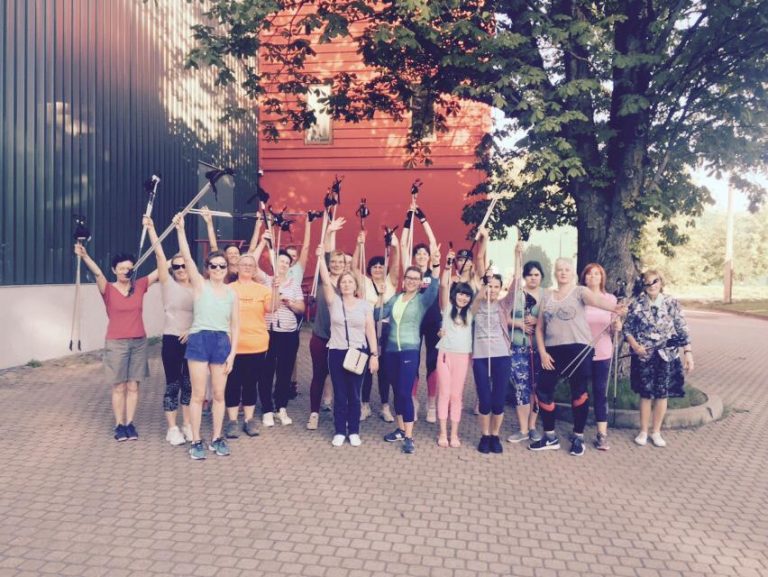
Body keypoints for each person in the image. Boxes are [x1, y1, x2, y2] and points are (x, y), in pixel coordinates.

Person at [531, 258, 624, 456]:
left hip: (579, 349)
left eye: (567, 269)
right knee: (544, 390)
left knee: (579, 392)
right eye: (559, 270)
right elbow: (539, 328)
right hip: (552, 351)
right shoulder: (547, 297)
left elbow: (597, 301)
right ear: (555, 273)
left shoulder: (580, 291)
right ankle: (550, 436)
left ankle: (578, 437)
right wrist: (543, 352)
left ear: (572, 273)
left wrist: (614, 308)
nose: (563, 272)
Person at [74, 244, 158, 441]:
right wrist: (85, 256)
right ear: (114, 270)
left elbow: (160, 270)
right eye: (121, 268)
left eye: (129, 268)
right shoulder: (108, 289)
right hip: (116, 343)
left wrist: (180, 253)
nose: (125, 271)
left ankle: (130, 423)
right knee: (119, 386)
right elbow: (97, 273)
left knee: (133, 386)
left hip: (139, 342)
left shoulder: (140, 286)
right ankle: (119, 424)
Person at [174, 213, 239, 460]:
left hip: (222, 342)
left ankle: (217, 438)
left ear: (226, 268)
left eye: (222, 266)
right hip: (200, 340)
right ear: (208, 268)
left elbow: (236, 326)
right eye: (214, 266)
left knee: (219, 395)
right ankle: (196, 440)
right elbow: (187, 257)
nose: (218, 269)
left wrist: (232, 354)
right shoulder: (200, 285)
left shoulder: (232, 293)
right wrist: (180, 230)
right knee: (198, 395)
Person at [381, 246, 441, 454]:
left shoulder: (422, 300)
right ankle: (400, 429)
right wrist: (378, 297)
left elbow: (434, 286)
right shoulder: (396, 298)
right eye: (409, 278)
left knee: (405, 393)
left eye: (416, 279)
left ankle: (409, 436)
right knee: (397, 392)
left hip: (409, 351)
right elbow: (378, 313)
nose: (412, 281)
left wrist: (435, 264)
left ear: (420, 281)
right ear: (404, 279)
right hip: (391, 351)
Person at [624, 269, 694, 448]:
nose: (651, 285)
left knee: (662, 393)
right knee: (646, 393)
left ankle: (656, 432)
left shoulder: (671, 303)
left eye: (655, 281)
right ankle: (643, 431)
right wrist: (635, 346)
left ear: (661, 282)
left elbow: (682, 328)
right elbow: (627, 329)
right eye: (647, 282)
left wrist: (688, 352)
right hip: (644, 355)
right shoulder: (637, 303)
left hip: (667, 355)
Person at [318, 246, 379, 446]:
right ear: (339, 285)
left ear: (355, 285)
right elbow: (325, 280)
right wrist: (321, 258)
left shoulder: (365, 305)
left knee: (354, 393)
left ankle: (353, 430)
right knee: (340, 392)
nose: (346, 284)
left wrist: (374, 354)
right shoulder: (333, 301)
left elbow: (370, 330)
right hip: (337, 351)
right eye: (343, 282)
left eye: (350, 282)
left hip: (358, 352)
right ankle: (339, 430)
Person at [144, 216, 194, 446]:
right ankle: (172, 428)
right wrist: (152, 230)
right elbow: (159, 255)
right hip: (172, 339)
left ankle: (187, 424)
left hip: (193, 340)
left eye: (184, 265)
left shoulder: (198, 286)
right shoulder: (168, 284)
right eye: (177, 266)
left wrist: (193, 330)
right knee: (173, 384)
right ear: (171, 269)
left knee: (189, 385)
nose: (181, 269)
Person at [470, 230, 517, 454]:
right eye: (490, 286)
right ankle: (484, 435)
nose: (492, 290)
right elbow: (480, 261)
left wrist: (517, 256)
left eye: (496, 287)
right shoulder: (476, 303)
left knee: (498, 401)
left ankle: (495, 435)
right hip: (481, 356)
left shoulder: (503, 305)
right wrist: (485, 240)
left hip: (501, 356)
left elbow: (516, 285)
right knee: (485, 400)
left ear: (500, 289)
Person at [353, 229, 400, 422]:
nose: (378, 269)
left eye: (381, 266)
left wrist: (396, 247)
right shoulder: (364, 282)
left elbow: (396, 266)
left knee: (384, 370)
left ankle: (384, 406)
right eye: (374, 267)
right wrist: (359, 245)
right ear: (369, 269)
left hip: (387, 330)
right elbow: (354, 267)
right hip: (368, 329)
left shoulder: (390, 282)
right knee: (367, 368)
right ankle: (364, 405)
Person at [223, 252, 272, 439]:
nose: (247, 267)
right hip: (232, 347)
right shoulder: (228, 289)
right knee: (233, 384)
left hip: (257, 345)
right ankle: (232, 421)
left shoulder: (262, 290)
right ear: (237, 267)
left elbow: (272, 308)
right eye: (243, 264)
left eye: (251, 265)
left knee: (251, 384)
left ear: (255, 269)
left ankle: (249, 420)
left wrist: (275, 289)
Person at [400, 200, 440, 422]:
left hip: (433, 320)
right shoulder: (411, 272)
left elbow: (433, 244)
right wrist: (409, 218)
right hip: (414, 321)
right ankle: (413, 401)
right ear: (415, 258)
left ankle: (431, 403)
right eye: (419, 254)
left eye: (425, 254)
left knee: (432, 362)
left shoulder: (433, 271)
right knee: (412, 361)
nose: (423, 256)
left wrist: (422, 218)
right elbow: (403, 244)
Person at [307, 217, 347, 430]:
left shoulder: (348, 283)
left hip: (341, 340)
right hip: (321, 336)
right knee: (319, 376)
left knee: (340, 378)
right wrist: (330, 232)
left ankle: (339, 415)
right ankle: (314, 414)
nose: (337, 264)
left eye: (341, 262)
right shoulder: (323, 280)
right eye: (334, 262)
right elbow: (326, 254)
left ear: (345, 265)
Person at [435, 248, 474, 448]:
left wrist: (487, 280)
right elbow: (443, 285)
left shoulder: (471, 312)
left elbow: (481, 294)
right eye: (460, 294)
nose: (463, 298)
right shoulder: (447, 307)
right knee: (444, 393)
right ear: (454, 294)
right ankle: (443, 432)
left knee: (456, 395)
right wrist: (448, 265)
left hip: (462, 356)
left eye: (467, 296)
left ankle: (454, 434)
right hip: (445, 354)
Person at [262, 248, 306, 426]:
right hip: (269, 332)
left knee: (285, 371)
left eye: (287, 263)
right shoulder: (266, 280)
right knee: (266, 371)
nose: (284, 265)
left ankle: (281, 407)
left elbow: (301, 308)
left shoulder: (294, 284)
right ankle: (267, 409)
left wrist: (290, 303)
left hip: (289, 333)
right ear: (275, 262)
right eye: (281, 261)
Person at [581, 263, 621, 450]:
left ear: (602, 277)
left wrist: (617, 326)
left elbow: (614, 327)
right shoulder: (579, 297)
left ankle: (602, 434)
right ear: (584, 278)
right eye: (589, 274)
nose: (593, 277)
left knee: (600, 392)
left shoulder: (610, 299)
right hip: (582, 351)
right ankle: (578, 431)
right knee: (580, 392)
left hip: (603, 351)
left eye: (597, 274)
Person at [507, 255, 545, 444]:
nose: (533, 278)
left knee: (536, 388)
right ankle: (522, 428)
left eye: (536, 275)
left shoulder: (547, 296)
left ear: (541, 276)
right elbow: (503, 316)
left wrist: (538, 320)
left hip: (539, 349)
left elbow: (553, 320)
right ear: (524, 277)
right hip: (518, 347)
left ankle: (532, 426)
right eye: (529, 275)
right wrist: (519, 324)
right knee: (521, 387)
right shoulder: (516, 295)